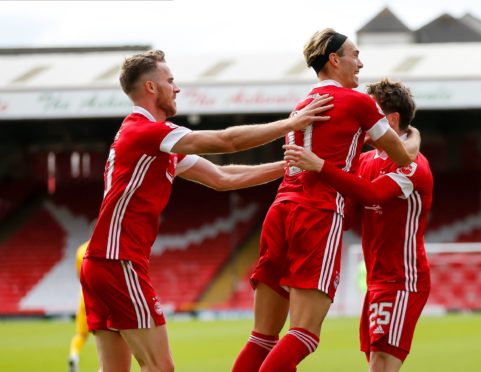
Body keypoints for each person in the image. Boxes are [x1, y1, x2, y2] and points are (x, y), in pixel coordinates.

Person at [80, 49, 333, 372]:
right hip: (119, 261)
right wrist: (292, 123)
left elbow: (222, 177)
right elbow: (227, 142)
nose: (177, 88)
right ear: (152, 89)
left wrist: (291, 167)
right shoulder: (149, 132)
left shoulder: (149, 141)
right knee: (160, 367)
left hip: (101, 262)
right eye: (170, 81)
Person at [232, 29, 421, 372]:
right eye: (355, 55)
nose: (360, 63)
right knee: (304, 333)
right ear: (335, 59)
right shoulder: (358, 102)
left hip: (279, 210)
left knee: (262, 337)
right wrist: (415, 135)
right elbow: (401, 154)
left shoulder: (302, 104)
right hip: (317, 213)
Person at [284, 78, 433, 372]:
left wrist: (321, 166)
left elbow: (373, 194)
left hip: (404, 281)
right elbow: (350, 215)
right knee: (374, 364)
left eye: (372, 114)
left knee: (380, 366)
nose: (363, 120)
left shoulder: (414, 166)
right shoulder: (364, 161)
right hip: (376, 282)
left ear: (391, 119)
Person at [68, 240, 90, 372]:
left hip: (84, 294)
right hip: (101, 297)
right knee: (108, 333)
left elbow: (79, 275)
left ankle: (74, 355)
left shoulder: (81, 249)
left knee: (81, 334)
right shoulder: (106, 246)